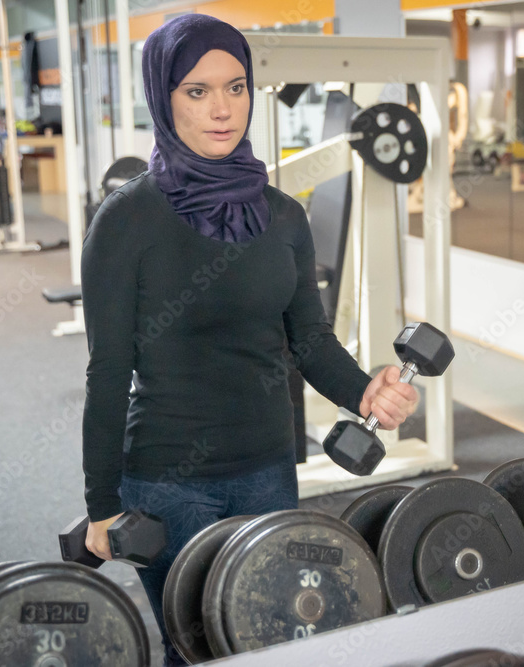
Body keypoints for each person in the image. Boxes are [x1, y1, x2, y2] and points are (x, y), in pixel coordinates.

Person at [79, 14, 418, 666]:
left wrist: (366, 392)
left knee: (270, 643)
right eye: (197, 91)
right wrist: (100, 503)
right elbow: (106, 372)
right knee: (200, 650)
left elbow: (310, 339)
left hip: (267, 468)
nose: (222, 108)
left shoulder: (283, 216)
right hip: (168, 480)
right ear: (163, 96)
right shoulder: (125, 223)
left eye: (235, 87)